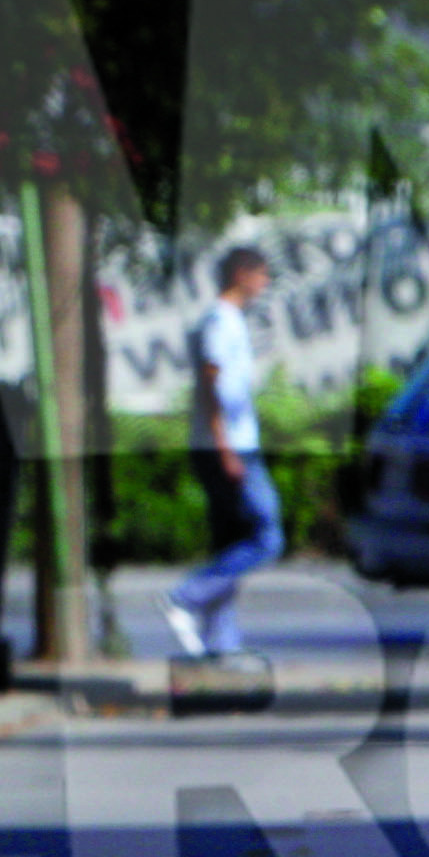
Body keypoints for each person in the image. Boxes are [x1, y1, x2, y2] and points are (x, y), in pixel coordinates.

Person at [164, 246, 277, 657]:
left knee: (230, 540)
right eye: (261, 274)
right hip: (228, 446)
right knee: (267, 534)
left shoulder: (231, 320)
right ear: (241, 274)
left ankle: (221, 642)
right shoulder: (219, 321)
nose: (265, 283)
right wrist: (224, 446)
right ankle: (186, 596)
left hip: (232, 443)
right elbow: (209, 386)